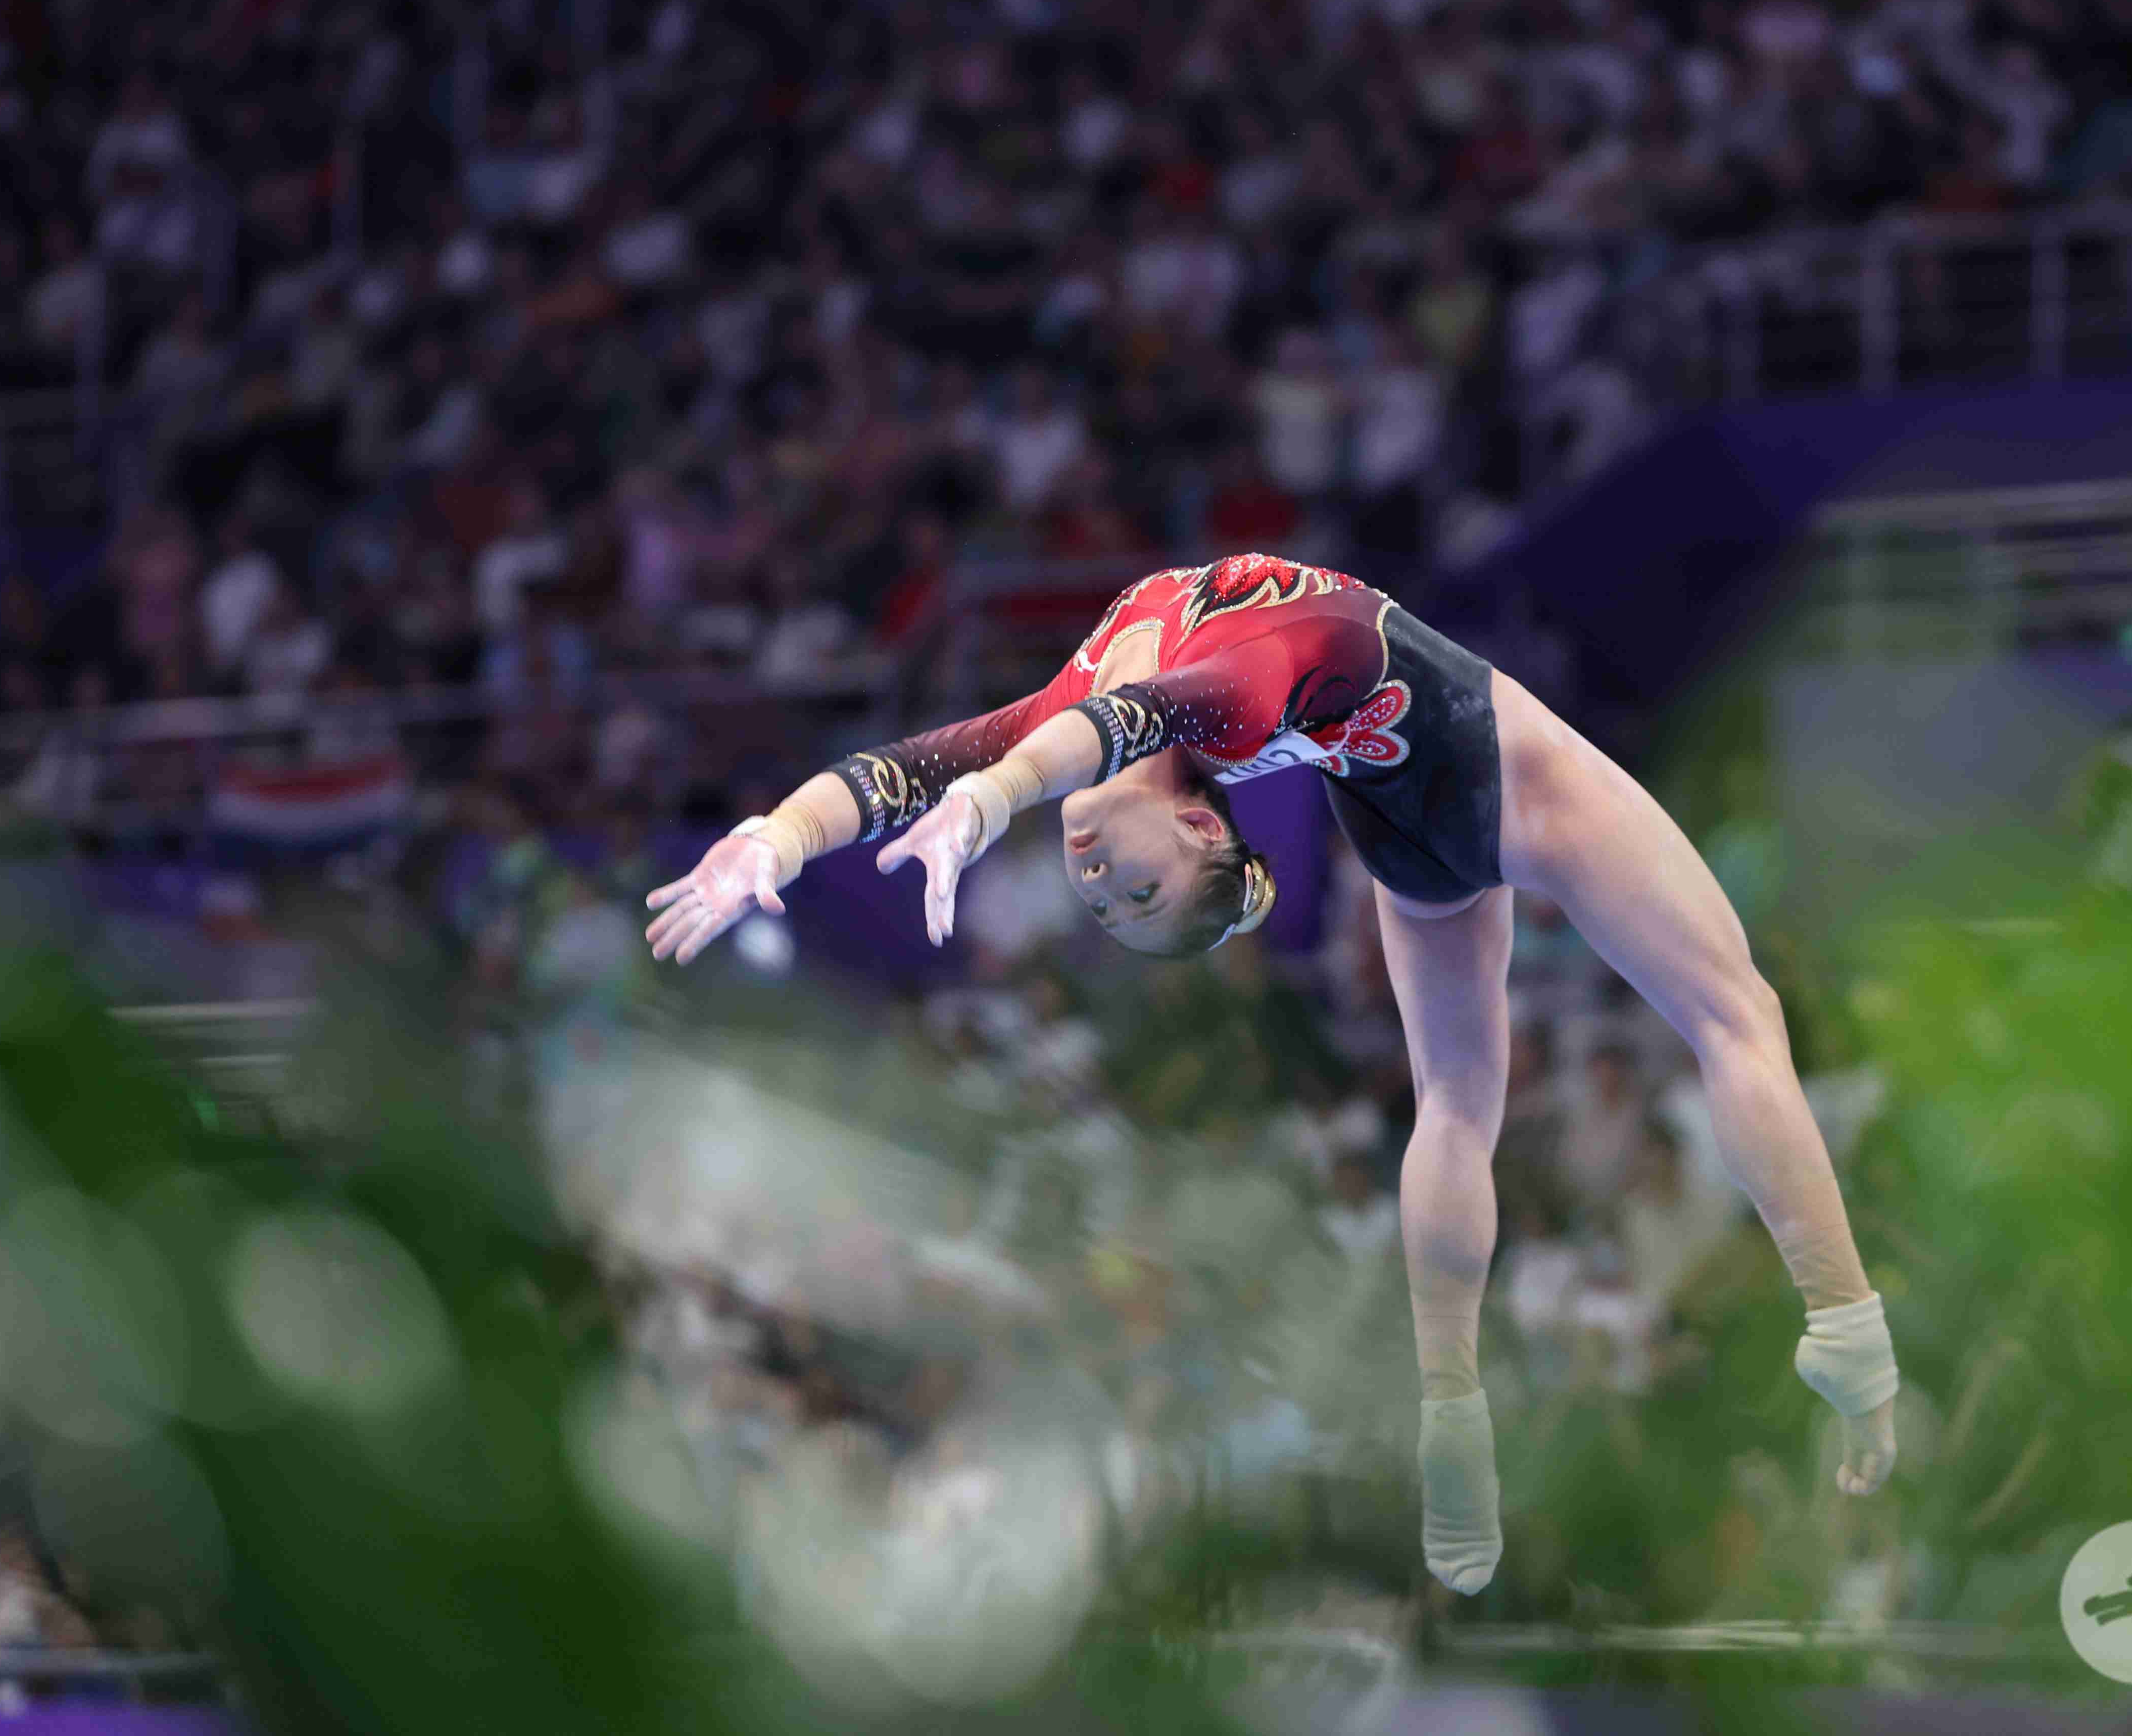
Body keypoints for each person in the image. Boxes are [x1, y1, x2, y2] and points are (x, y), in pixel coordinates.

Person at [646, 552, 1899, 1593]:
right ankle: (1840, 1327)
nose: (1094, 880)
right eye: (1131, 893)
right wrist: (961, 811)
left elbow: (907, 768)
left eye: (1107, 898)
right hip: (1514, 779)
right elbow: (1103, 733)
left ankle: (1457, 1396)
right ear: (1202, 825)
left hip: (1399, 818)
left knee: (1464, 1100)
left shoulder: (1099, 705)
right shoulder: (1215, 709)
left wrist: (784, 834)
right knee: (1734, 1017)